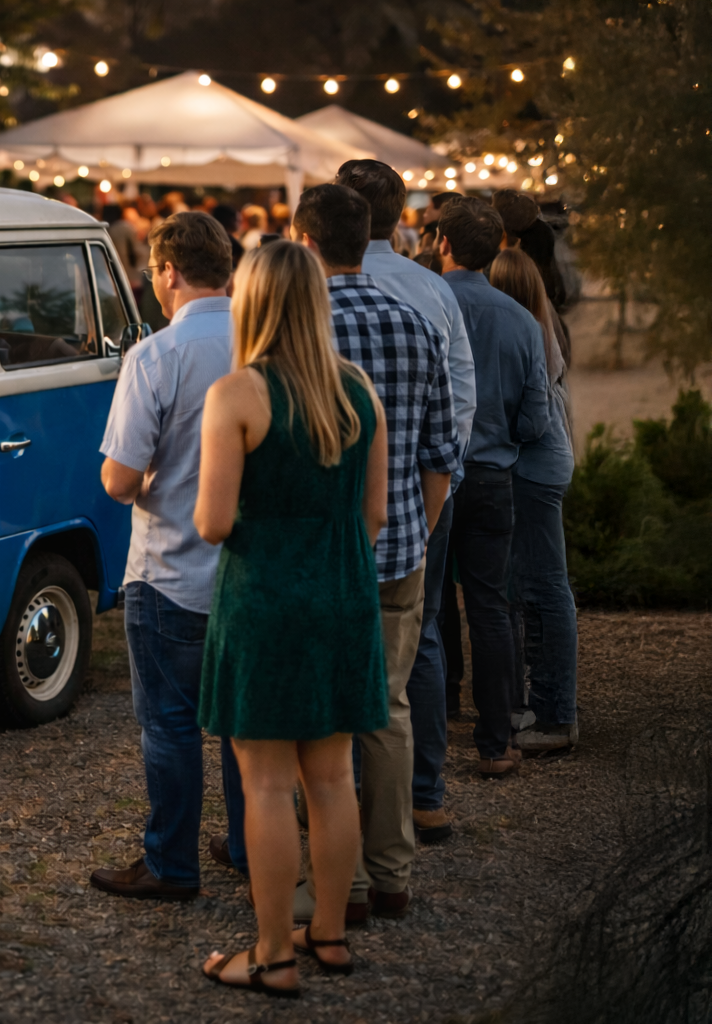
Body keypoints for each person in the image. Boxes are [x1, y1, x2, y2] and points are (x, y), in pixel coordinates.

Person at [195, 240, 389, 997]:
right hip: (343, 597)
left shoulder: (238, 394)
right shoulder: (358, 393)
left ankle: (273, 954)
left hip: (264, 601)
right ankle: (330, 933)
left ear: (252, 302)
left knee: (269, 784)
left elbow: (213, 522)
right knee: (334, 777)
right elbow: (373, 514)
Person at [290, 184, 459, 922]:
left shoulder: (300, 335)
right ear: (371, 238)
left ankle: (339, 882)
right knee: (387, 711)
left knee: (323, 719)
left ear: (305, 241)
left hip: (319, 557)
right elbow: (441, 454)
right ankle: (392, 875)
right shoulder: (416, 325)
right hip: (399, 554)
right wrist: (414, 530)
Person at [90, 212, 237, 901]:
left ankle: (172, 864)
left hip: (170, 567)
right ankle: (247, 842)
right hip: (242, 571)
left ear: (169, 272)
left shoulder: (156, 356)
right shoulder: (265, 344)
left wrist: (153, 475)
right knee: (242, 723)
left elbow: (119, 481)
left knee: (171, 725)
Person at [335, 159, 477, 845]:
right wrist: (429, 511)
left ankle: (332, 816)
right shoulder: (429, 295)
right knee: (415, 645)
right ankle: (423, 800)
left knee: (332, 671)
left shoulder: (304, 307)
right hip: (420, 499)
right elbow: (460, 402)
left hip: (327, 521)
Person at [439, 197, 551, 778]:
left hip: (432, 477)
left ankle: (438, 717)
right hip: (492, 476)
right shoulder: (521, 320)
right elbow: (536, 421)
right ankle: (494, 740)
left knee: (431, 604)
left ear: (442, 244)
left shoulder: (427, 306)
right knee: (489, 604)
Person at [487, 249, 579, 754]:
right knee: (531, 588)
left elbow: (533, 421)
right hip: (545, 467)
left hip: (533, 470)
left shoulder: (521, 331)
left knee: (543, 587)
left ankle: (556, 715)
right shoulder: (545, 325)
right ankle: (547, 706)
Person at [103, 202, 147, 309]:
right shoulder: (126, 227)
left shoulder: (108, 229)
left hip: (113, 276)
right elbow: (135, 251)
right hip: (132, 276)